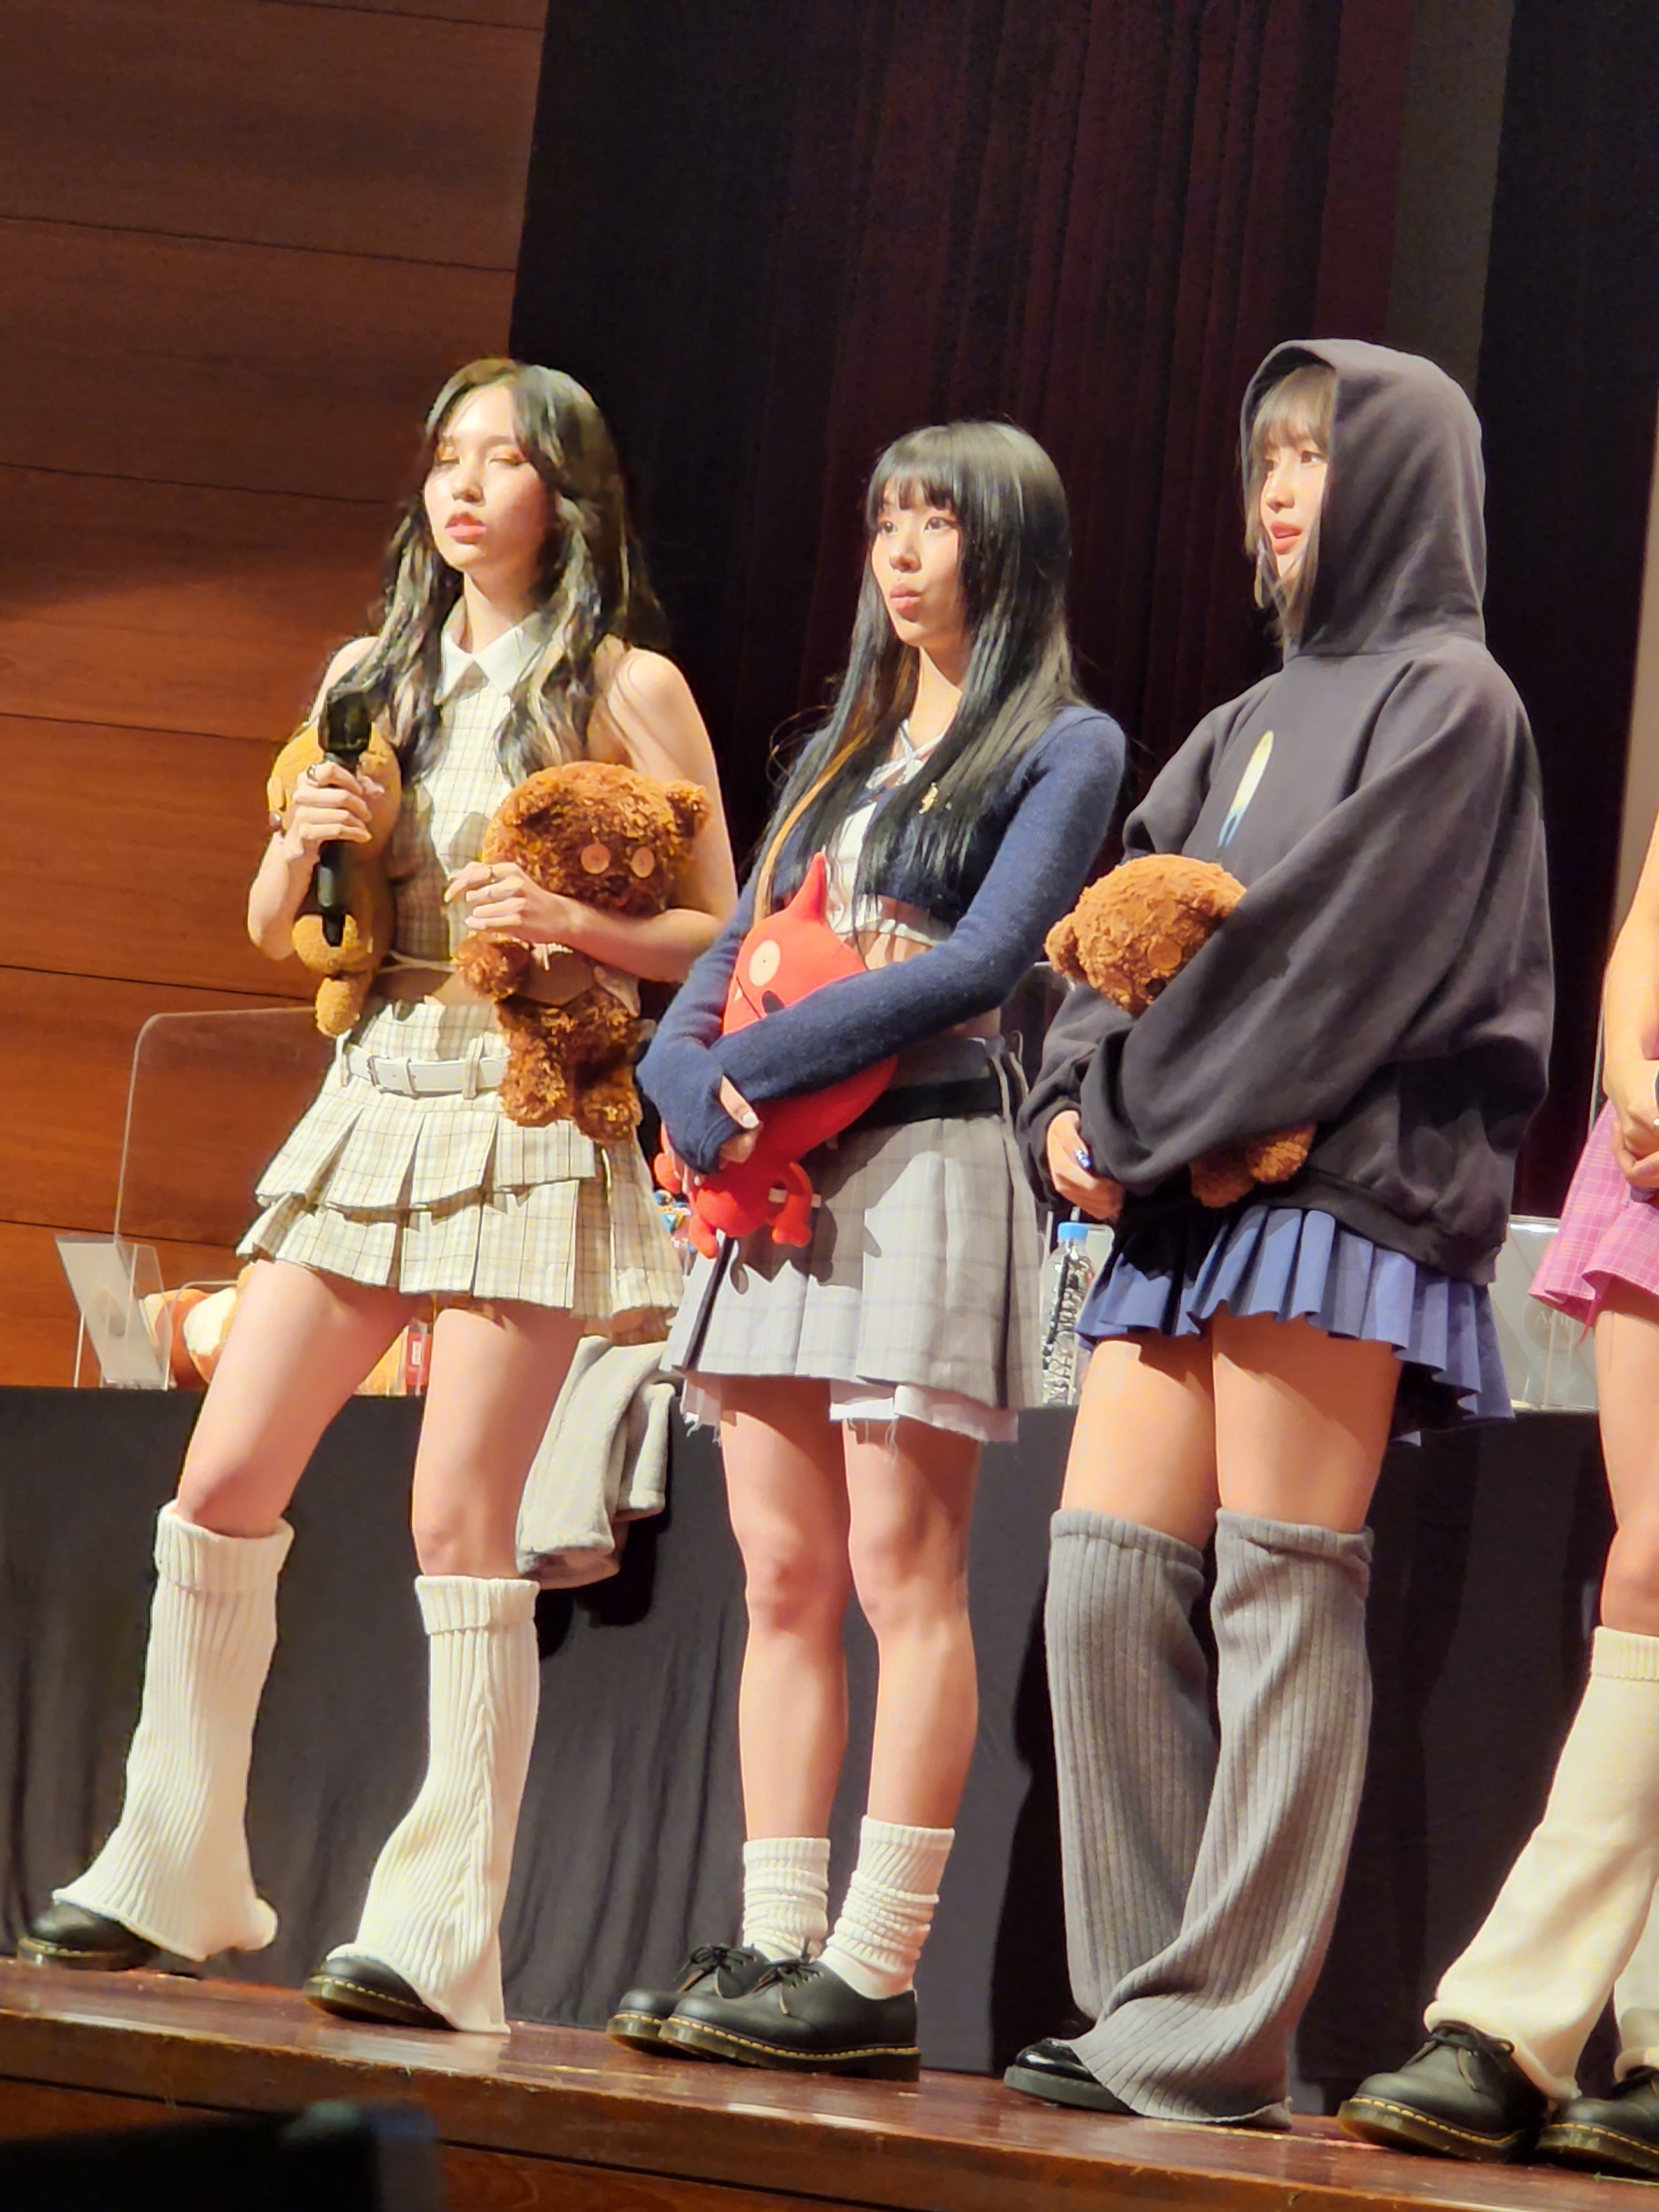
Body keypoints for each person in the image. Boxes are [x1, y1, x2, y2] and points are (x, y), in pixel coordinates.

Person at [18, 359, 737, 2034]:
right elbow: (276, 923)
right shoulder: (371, 673)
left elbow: (720, 920)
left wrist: (580, 930)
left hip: (526, 1098)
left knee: (457, 1520)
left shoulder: (625, 683)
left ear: (567, 495)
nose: (464, 486)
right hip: (373, 1089)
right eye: (446, 458)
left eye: (504, 460)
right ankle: (173, 1858)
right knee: (220, 1480)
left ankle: (443, 1927)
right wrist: (305, 837)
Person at [1005, 340, 1553, 2128]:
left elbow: (1324, 963)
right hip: (1181, 1189)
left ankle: (1222, 2031)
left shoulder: (1454, 701)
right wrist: (1069, 1111)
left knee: (1281, 1587)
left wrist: (1135, 1115)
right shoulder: (1245, 722)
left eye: (1319, 453)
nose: (1285, 487)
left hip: (1338, 1193)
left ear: (1405, 478)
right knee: (1103, 1581)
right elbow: (1112, 931)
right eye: (1269, 458)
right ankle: (1153, 2008)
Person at [606, 421, 1125, 2078]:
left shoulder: (1069, 746)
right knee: (781, 1576)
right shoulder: (839, 743)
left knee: (905, 1572)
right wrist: (677, 1072)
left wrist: (746, 1069)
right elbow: (740, 936)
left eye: (938, 522)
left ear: (1009, 549)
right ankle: (777, 1945)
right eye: (886, 517)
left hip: (924, 1160)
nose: (902, 551)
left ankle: (875, 1965)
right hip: (774, 1172)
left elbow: (980, 967)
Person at [1341, 812, 1659, 2176]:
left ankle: (1511, 2019)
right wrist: (1636, 1075)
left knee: (1654, 1569)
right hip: (1655, 1149)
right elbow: (1646, 932)